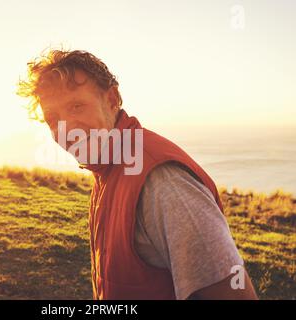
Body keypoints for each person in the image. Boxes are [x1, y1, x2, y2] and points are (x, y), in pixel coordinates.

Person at [17, 48, 258, 300]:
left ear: (111, 100)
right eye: (53, 119)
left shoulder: (162, 181)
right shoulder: (107, 168)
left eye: (76, 106)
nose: (66, 130)